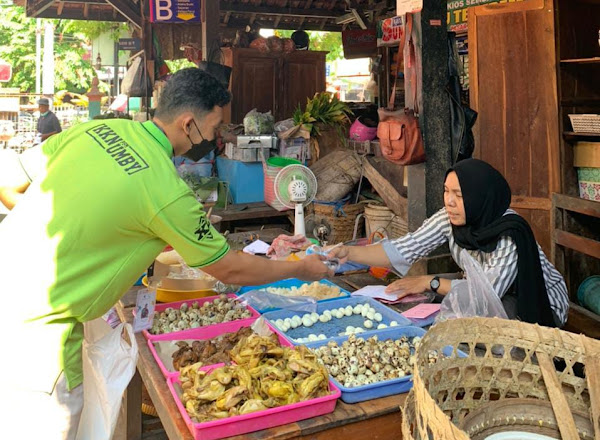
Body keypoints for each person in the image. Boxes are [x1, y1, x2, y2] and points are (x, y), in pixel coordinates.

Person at [0, 68, 331, 439]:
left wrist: (79, 241)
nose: (216, 137)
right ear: (188, 123)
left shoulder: (99, 129)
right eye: (215, 126)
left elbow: (9, 183)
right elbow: (231, 270)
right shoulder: (167, 190)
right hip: (40, 343)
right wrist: (300, 269)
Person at [329, 159, 569, 328]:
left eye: (460, 195)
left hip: (539, 304)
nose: (450, 202)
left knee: (473, 326)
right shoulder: (449, 218)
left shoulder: (510, 235)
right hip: (486, 290)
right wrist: (349, 252)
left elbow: (485, 297)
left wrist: (428, 282)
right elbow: (405, 248)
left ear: (480, 198)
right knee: (449, 310)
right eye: (446, 191)